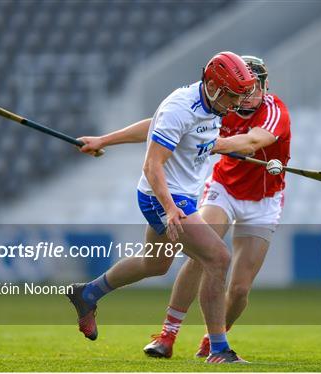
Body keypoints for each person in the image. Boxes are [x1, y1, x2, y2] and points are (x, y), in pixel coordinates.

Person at [67, 51, 257, 364]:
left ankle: (88, 293)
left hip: (182, 194)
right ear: (213, 85)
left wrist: (104, 140)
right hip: (163, 196)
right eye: (232, 96)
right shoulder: (180, 107)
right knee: (218, 257)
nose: (236, 104)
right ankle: (220, 350)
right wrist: (170, 209)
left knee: (155, 264)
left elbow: (152, 126)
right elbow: (152, 164)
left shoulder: (212, 104)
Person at [142, 55, 291, 359]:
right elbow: (161, 126)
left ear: (264, 86)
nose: (246, 95)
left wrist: (206, 143)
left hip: (264, 201)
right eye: (242, 89)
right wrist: (107, 139)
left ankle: (212, 341)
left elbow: (251, 142)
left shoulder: (275, 110)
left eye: (253, 87)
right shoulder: (222, 106)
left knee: (238, 290)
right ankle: (168, 335)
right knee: (203, 255)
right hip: (223, 189)